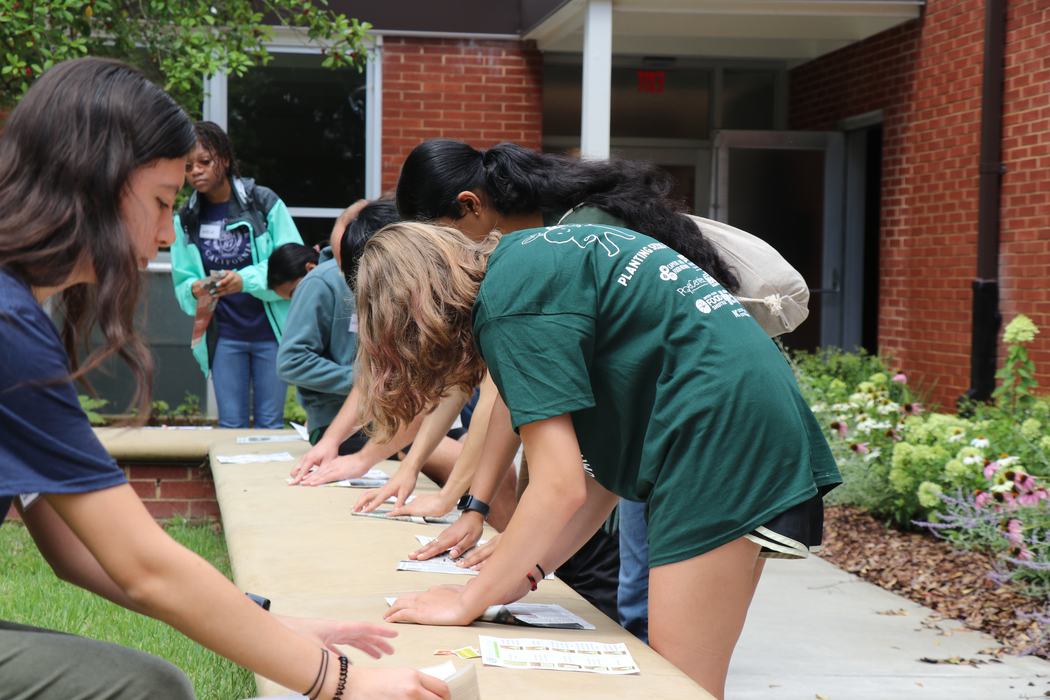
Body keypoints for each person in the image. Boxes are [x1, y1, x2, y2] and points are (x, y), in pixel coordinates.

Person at [0, 57, 447, 700]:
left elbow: (75, 549)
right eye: (158, 203)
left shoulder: (21, 312)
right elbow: (145, 567)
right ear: (91, 184)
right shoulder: (11, 327)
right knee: (144, 689)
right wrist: (343, 683)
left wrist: (276, 628)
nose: (161, 236)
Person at [357, 221, 840, 699]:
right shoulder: (533, 262)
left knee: (679, 683)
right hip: (745, 420)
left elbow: (557, 486)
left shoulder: (510, 306)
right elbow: (594, 481)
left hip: (718, 437)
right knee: (685, 677)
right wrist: (521, 575)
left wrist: (468, 600)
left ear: (413, 307)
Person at [391, 139, 750, 634]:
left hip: (688, 423)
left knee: (645, 605)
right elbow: (519, 391)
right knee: (637, 597)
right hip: (643, 432)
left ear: (470, 205)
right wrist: (481, 511)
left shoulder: (561, 244)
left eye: (444, 242)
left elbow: (564, 480)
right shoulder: (540, 243)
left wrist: (479, 589)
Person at [278, 200, 461, 481]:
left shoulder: (443, 294)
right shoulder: (385, 294)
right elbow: (375, 375)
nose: (349, 280)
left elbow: (436, 393)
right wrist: (333, 441)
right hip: (393, 418)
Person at [171, 121, 303, 429]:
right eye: (188, 166)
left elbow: (293, 262)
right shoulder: (186, 219)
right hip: (224, 336)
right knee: (230, 427)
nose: (196, 171)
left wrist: (245, 280)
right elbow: (181, 282)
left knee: (271, 426)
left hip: (271, 333)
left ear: (226, 159)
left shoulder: (263, 202)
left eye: (205, 162)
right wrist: (195, 288)